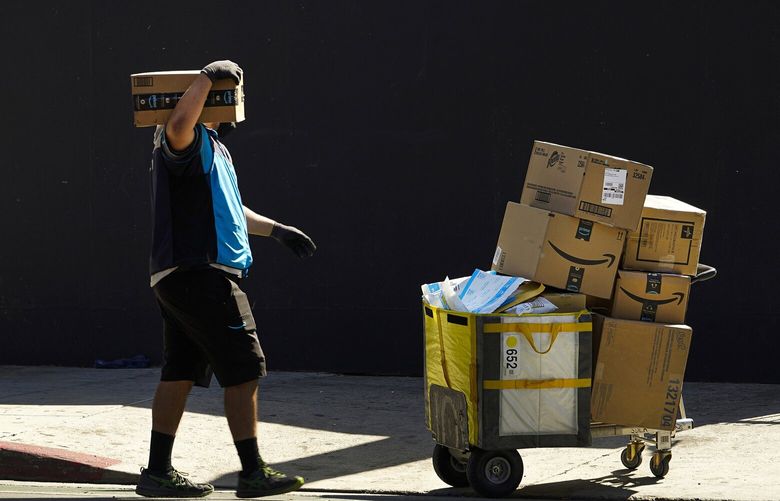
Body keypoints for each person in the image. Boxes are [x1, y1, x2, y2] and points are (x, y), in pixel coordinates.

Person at [135, 60, 316, 498]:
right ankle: (253, 471)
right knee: (243, 368)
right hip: (202, 275)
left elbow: (232, 210)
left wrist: (277, 231)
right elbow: (180, 121)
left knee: (179, 372)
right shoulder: (185, 139)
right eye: (230, 95)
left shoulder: (213, 147)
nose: (237, 103)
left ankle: (157, 472)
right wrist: (206, 76)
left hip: (180, 276)